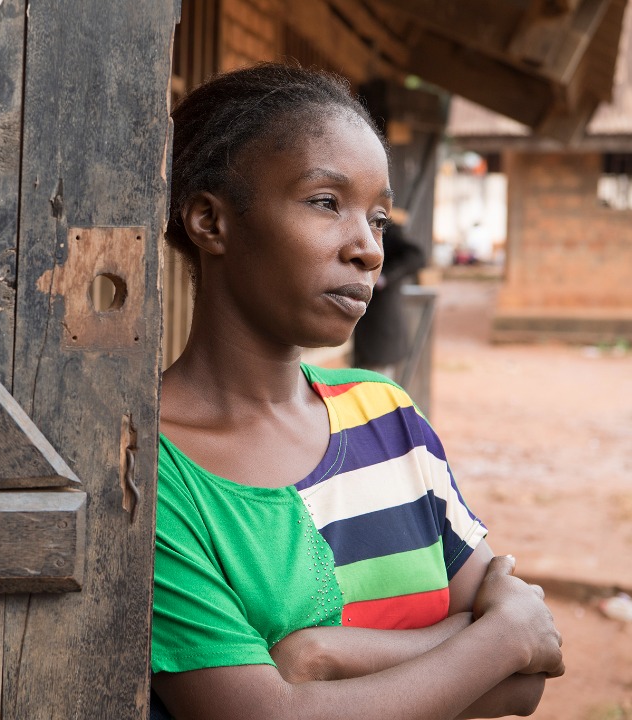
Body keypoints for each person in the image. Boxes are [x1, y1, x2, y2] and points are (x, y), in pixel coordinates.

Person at [151, 63, 563, 720]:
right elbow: (264, 716)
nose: (370, 249)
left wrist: (320, 657)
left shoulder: (387, 419)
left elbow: (528, 676)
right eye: (325, 202)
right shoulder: (152, 469)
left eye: (378, 216)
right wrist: (497, 638)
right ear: (210, 221)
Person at [351, 213, 426, 379]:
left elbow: (417, 256)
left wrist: (385, 276)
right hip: (362, 329)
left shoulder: (386, 229)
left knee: (377, 385)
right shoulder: (355, 222)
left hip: (381, 326)